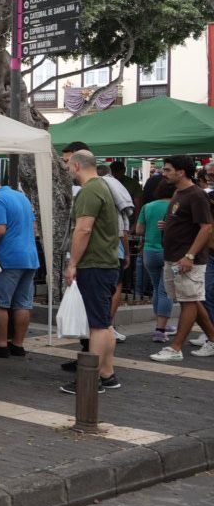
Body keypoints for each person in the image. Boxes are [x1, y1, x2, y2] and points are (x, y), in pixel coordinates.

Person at [60, 150, 123, 394]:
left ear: (76, 165)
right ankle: (107, 374)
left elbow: (83, 230)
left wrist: (73, 263)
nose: (66, 168)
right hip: (105, 263)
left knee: (97, 325)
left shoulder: (90, 190)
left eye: (67, 164)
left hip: (94, 264)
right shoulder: (102, 186)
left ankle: (91, 379)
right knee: (103, 323)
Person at [146, 155, 214, 363]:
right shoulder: (179, 193)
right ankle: (212, 338)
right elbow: (185, 221)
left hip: (187, 259)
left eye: (167, 170)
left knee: (188, 301)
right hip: (174, 256)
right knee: (192, 300)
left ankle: (176, 347)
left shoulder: (196, 195)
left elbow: (206, 227)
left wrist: (190, 255)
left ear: (181, 172)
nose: (162, 173)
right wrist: (169, 227)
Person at [0, 175, 38, 358]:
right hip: (30, 256)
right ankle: (18, 344)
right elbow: (34, 226)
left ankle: (1, 344)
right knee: (23, 304)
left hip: (8, 257)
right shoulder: (21, 196)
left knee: (0, 303)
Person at [134, 183, 173, 342]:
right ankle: (160, 329)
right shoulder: (175, 206)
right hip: (168, 251)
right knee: (166, 290)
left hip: (149, 251)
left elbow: (139, 230)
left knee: (157, 288)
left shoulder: (148, 206)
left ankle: (162, 323)